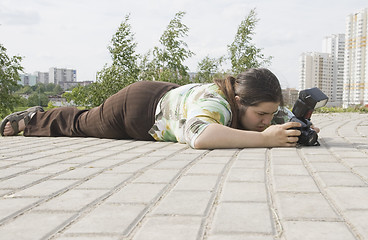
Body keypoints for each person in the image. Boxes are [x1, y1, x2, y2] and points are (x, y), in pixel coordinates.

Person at [1, 68, 314, 149]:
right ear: (240, 100)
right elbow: (200, 136)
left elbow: (281, 121)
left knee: (85, 116)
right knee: (82, 122)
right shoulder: (217, 103)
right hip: (136, 111)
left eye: (271, 115)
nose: (266, 121)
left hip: (165, 95)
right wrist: (266, 139)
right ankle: (32, 119)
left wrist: (300, 129)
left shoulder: (257, 103)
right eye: (261, 115)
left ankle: (38, 116)